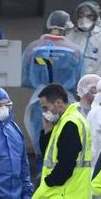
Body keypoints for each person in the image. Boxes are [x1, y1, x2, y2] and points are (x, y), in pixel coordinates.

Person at [21, 10, 83, 160]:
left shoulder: (33, 48)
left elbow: (24, 78)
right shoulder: (74, 50)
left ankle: (43, 173)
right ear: (66, 28)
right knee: (66, 143)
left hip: (39, 101)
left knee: (40, 141)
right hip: (65, 100)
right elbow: (80, 79)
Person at [67, 1, 101, 77]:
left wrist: (92, 83)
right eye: (81, 15)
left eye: (89, 16)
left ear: (95, 17)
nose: (84, 19)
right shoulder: (70, 35)